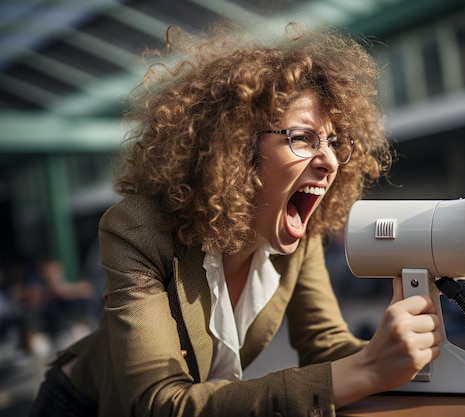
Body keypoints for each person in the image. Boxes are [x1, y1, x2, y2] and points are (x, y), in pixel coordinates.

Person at [28, 23, 441, 416]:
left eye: (334, 142)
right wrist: (367, 369)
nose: (330, 160)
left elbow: (325, 345)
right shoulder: (136, 231)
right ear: (235, 146)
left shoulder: (300, 231)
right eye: (303, 138)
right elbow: (157, 404)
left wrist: (398, 348)